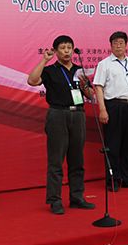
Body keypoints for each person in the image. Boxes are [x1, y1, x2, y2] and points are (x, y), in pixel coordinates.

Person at [27, 35, 95, 214]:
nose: (67, 51)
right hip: (58, 114)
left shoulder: (80, 70)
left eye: (69, 48)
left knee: (77, 159)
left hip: (78, 114)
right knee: (56, 160)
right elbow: (32, 81)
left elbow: (90, 95)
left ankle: (77, 197)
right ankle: (55, 200)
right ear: (56, 51)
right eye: (63, 48)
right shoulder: (50, 70)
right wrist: (44, 60)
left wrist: (85, 86)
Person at [93, 31, 128, 192]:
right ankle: (113, 180)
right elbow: (98, 87)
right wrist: (102, 109)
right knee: (113, 145)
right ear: (110, 45)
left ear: (126, 45)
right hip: (113, 106)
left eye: (121, 42)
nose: (118, 46)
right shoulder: (104, 64)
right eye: (115, 43)